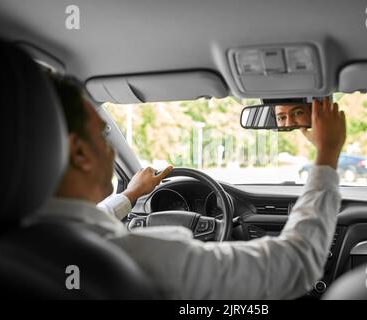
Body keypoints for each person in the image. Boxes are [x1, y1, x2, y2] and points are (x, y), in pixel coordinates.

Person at [34, 75, 346, 299]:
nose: (110, 149)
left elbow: (85, 218)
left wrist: (131, 195)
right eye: (103, 135)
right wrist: (327, 154)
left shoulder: (24, 242)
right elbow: (294, 266)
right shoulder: (145, 257)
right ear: (79, 153)